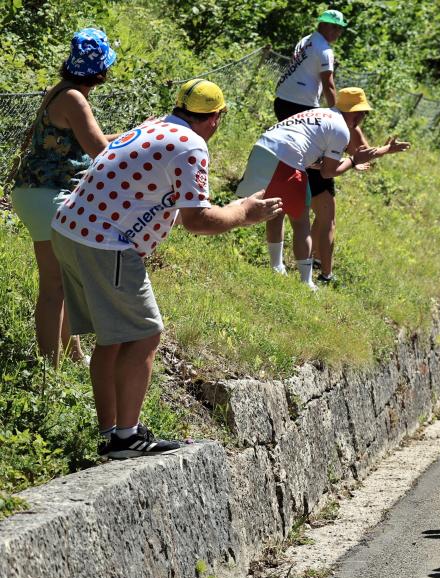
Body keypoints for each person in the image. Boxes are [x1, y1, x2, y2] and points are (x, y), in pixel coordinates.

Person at [49, 79, 284, 458]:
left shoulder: (155, 126)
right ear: (216, 118)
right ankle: (126, 438)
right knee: (144, 335)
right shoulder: (192, 145)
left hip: (70, 228)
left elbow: (159, 200)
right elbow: (198, 220)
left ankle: (110, 433)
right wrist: (245, 212)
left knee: (113, 339)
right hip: (105, 243)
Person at [10, 28, 119, 365]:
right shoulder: (74, 99)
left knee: (70, 280)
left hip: (37, 194)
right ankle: (49, 370)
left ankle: (72, 353)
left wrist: (135, 133)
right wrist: (142, 142)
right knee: (56, 286)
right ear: (100, 72)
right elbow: (101, 151)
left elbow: (92, 140)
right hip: (49, 197)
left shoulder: (62, 92)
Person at [236, 88, 407, 287]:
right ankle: (306, 282)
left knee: (276, 211)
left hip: (261, 149)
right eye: (363, 113)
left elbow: (314, 158)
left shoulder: (318, 113)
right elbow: (328, 172)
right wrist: (352, 161)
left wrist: (382, 151)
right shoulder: (341, 129)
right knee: (301, 223)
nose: (362, 118)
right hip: (286, 159)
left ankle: (276, 267)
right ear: (356, 112)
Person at [272, 9, 347, 284]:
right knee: (311, 152)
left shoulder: (306, 40)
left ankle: (300, 175)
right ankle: (307, 182)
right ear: (323, 26)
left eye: (340, 29)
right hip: (300, 105)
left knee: (297, 149)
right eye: (334, 27)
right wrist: (335, 114)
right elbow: (328, 83)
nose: (337, 33)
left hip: (282, 99)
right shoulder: (325, 49)